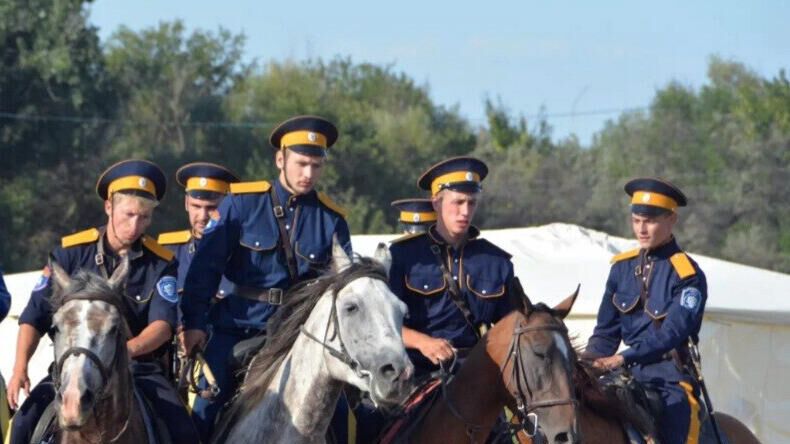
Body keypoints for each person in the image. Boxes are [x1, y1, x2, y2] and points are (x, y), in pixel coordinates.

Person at [180, 115, 352, 441]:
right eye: (301, 163)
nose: (308, 174)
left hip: (299, 335)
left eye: (316, 166)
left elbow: (344, 289)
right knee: (204, 410)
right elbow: (204, 270)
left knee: (341, 414)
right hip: (237, 329)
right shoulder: (242, 204)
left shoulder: (331, 219)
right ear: (280, 159)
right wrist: (194, 323)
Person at [6, 160, 199, 444]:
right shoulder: (70, 255)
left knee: (184, 429)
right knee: (23, 422)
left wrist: (121, 351)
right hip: (71, 368)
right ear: (109, 207)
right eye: (129, 214)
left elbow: (162, 326)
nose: (135, 226)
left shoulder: (160, 263)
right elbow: (33, 317)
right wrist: (20, 367)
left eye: (144, 218)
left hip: (138, 370)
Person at [355, 157, 516, 442]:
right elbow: (380, 323)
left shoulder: (496, 261)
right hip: (414, 372)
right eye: (457, 203)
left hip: (475, 376)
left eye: (471, 203)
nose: (465, 211)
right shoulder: (404, 255)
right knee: (369, 417)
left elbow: (512, 327)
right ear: (436, 203)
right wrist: (423, 342)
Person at [585, 177, 707, 444]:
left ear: (672, 220)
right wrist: (585, 364)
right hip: (624, 376)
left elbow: (672, 333)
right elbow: (605, 333)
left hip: (668, 378)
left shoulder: (688, 275)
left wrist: (622, 358)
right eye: (636, 220)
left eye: (650, 221)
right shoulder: (620, 268)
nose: (641, 229)